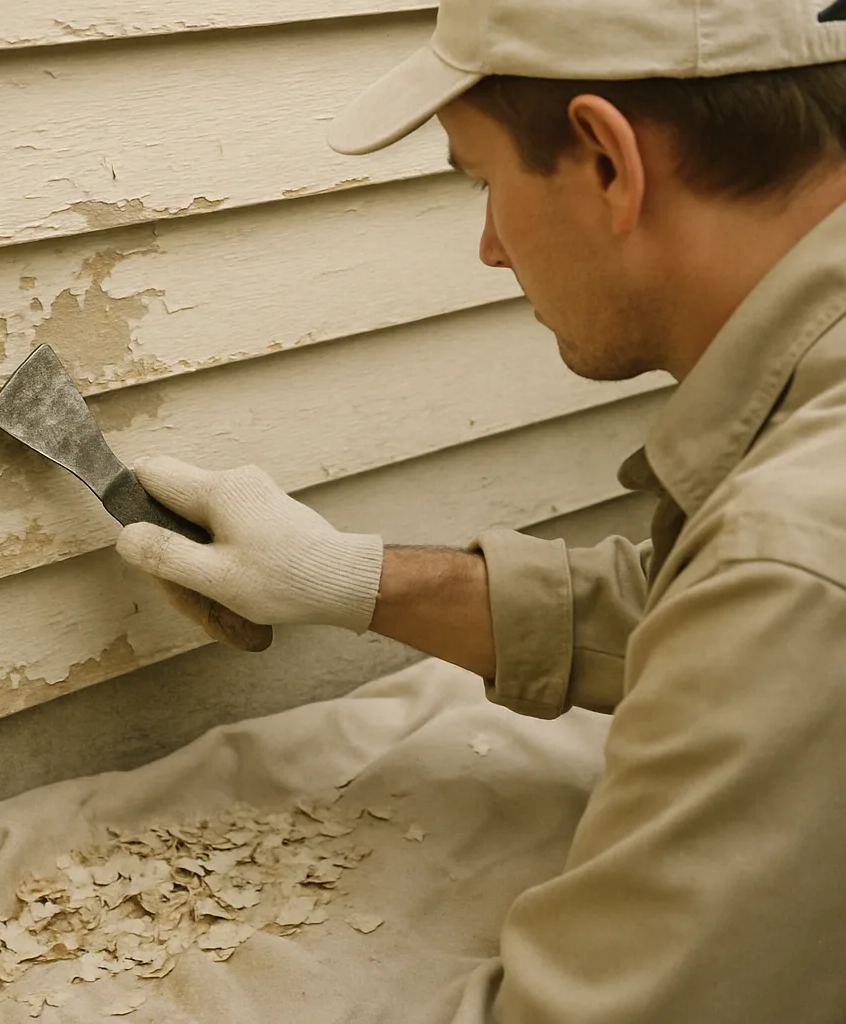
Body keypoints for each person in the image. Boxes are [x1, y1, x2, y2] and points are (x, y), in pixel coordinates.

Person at [116, 0, 846, 1019]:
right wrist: (352, 578)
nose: (491, 249)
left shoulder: (798, 556)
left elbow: (772, 600)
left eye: (484, 180)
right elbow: (700, 614)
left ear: (605, 161)